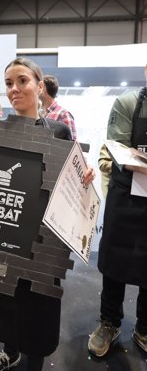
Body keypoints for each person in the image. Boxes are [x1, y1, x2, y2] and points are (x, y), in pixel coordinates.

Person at [0, 57, 95, 371]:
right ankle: (10, 353)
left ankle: (34, 363)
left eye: (22, 81)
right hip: (2, 233)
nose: (14, 89)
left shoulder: (58, 131)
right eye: (8, 83)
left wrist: (86, 175)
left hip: (44, 240)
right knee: (4, 300)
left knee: (40, 307)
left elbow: (74, 176)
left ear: (39, 86)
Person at [88, 87, 147, 357]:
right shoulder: (128, 103)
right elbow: (120, 152)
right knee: (114, 264)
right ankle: (109, 323)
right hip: (126, 196)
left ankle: (144, 328)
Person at [40, 75, 77, 140]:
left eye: (39, 87)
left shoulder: (64, 114)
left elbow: (72, 145)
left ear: (44, 89)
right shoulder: (39, 114)